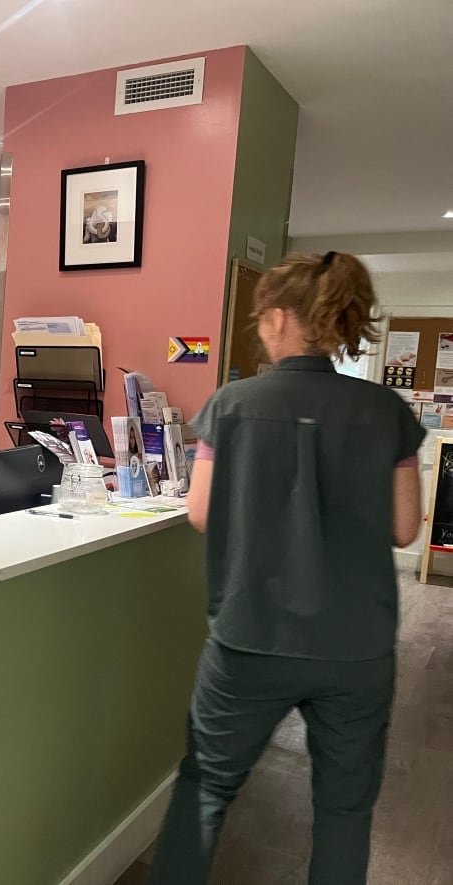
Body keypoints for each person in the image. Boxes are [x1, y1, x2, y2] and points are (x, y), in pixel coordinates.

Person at [147, 252, 424, 884]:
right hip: (356, 648)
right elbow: (404, 528)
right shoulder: (387, 413)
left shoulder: (232, 404)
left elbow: (200, 513)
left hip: (250, 638)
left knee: (207, 788)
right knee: (344, 807)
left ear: (277, 318)